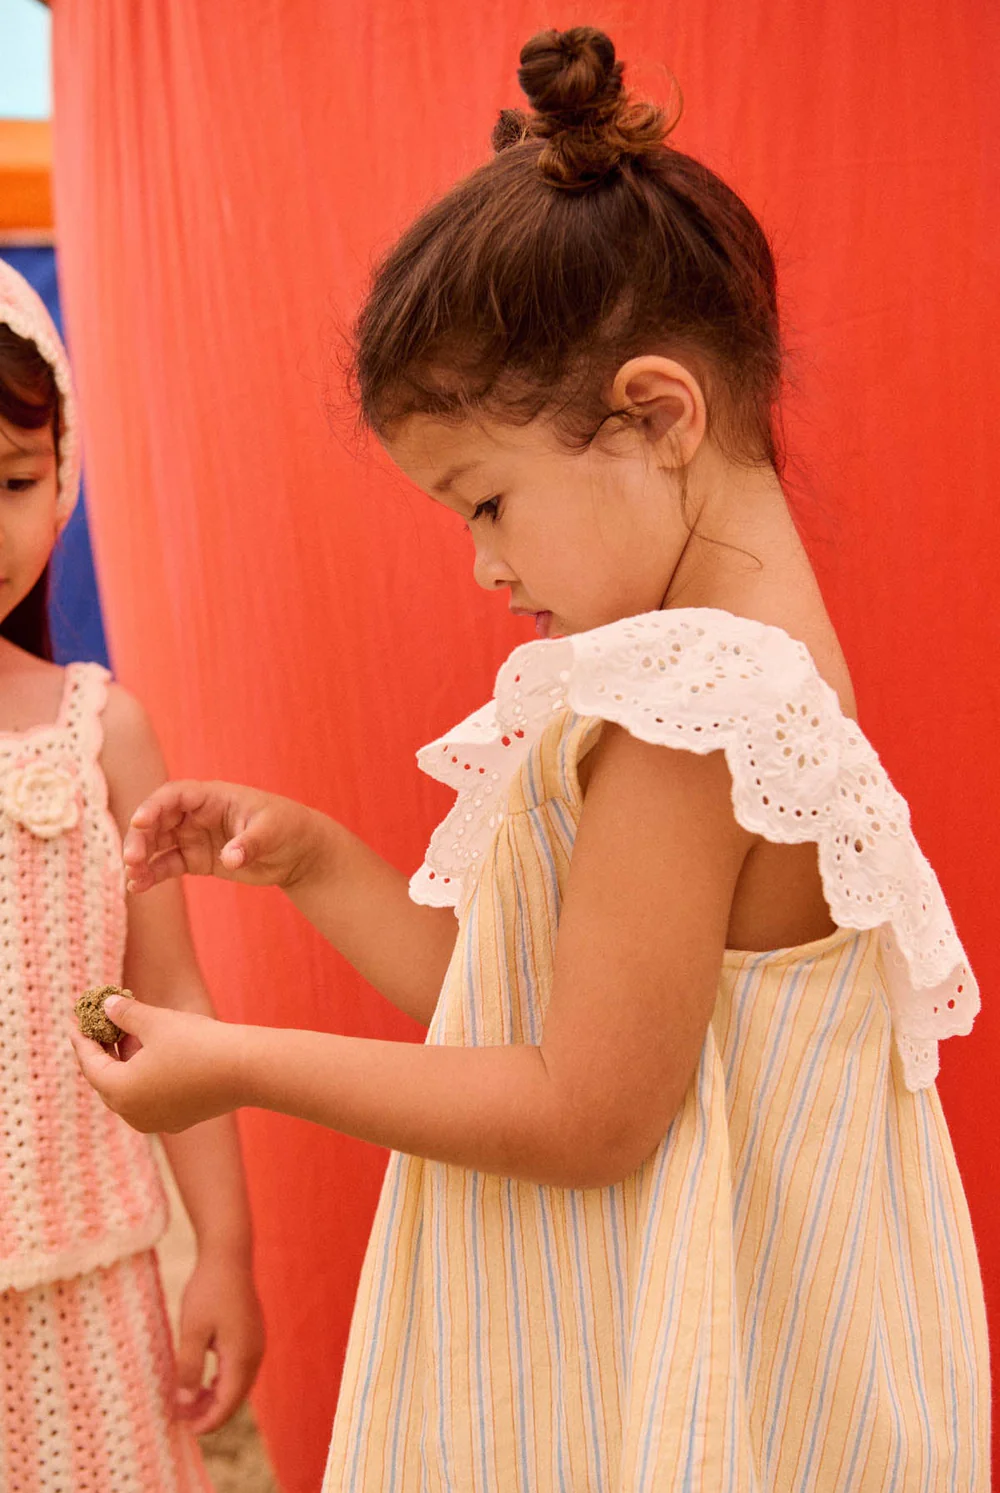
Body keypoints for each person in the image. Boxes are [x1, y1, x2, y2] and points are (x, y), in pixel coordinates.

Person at [72, 27, 988, 1492]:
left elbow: (584, 1108)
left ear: (656, 415)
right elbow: (523, 1010)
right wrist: (316, 860)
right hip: (696, 1350)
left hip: (668, 1382)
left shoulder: (695, 704)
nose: (484, 567)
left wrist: (237, 1065)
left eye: (486, 502)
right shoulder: (750, 669)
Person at [0, 258, 264, 1489]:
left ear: (61, 481)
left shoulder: (100, 732)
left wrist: (227, 1246)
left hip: (92, 1287)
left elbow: (171, 1001)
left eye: (12, 481)